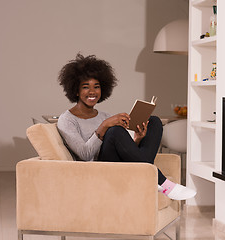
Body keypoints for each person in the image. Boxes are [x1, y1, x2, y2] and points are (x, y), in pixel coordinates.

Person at [57, 53, 196, 200]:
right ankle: (163, 183)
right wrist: (104, 126)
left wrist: (137, 140)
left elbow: (122, 149)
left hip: (116, 163)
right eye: (86, 87)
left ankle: (148, 177)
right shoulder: (67, 120)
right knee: (115, 131)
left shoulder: (104, 115)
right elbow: (85, 155)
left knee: (154, 121)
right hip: (97, 169)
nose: (92, 92)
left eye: (96, 87)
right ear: (76, 91)